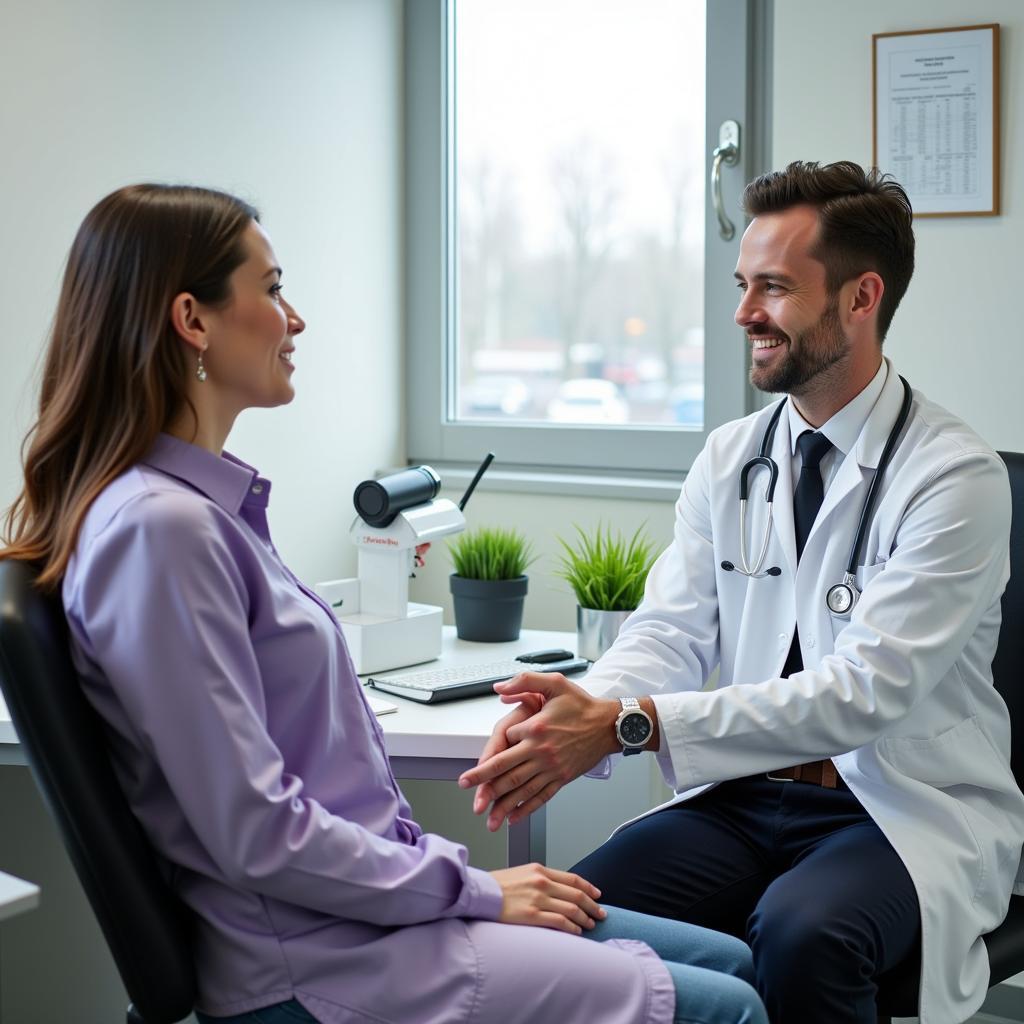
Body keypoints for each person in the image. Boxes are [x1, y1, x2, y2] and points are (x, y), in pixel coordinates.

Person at [0, 184, 769, 1024]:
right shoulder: (162, 530)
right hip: (317, 960)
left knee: (729, 957)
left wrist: (456, 883)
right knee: (726, 1006)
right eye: (272, 288)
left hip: (356, 918)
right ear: (193, 320)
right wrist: (472, 888)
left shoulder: (200, 514)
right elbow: (255, 830)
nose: (294, 320)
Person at [459, 160, 1024, 1024]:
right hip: (745, 792)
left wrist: (626, 723)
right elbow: (668, 634)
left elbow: (863, 695)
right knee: (572, 912)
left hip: (897, 809)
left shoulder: (955, 476)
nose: (743, 313)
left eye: (773, 287)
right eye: (741, 284)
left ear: (860, 297)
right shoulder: (731, 457)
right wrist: (576, 709)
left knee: (803, 936)